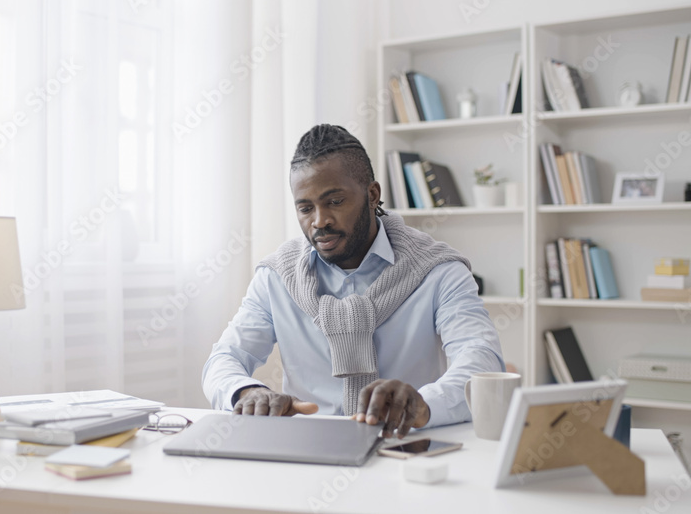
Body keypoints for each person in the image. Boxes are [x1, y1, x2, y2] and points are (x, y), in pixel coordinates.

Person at [201, 124, 504, 439]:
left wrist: (423, 404)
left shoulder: (439, 270)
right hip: (306, 450)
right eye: (305, 208)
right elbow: (224, 359)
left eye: (334, 202)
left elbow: (481, 361)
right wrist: (247, 391)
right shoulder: (276, 277)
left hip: (406, 445)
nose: (320, 221)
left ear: (372, 195)